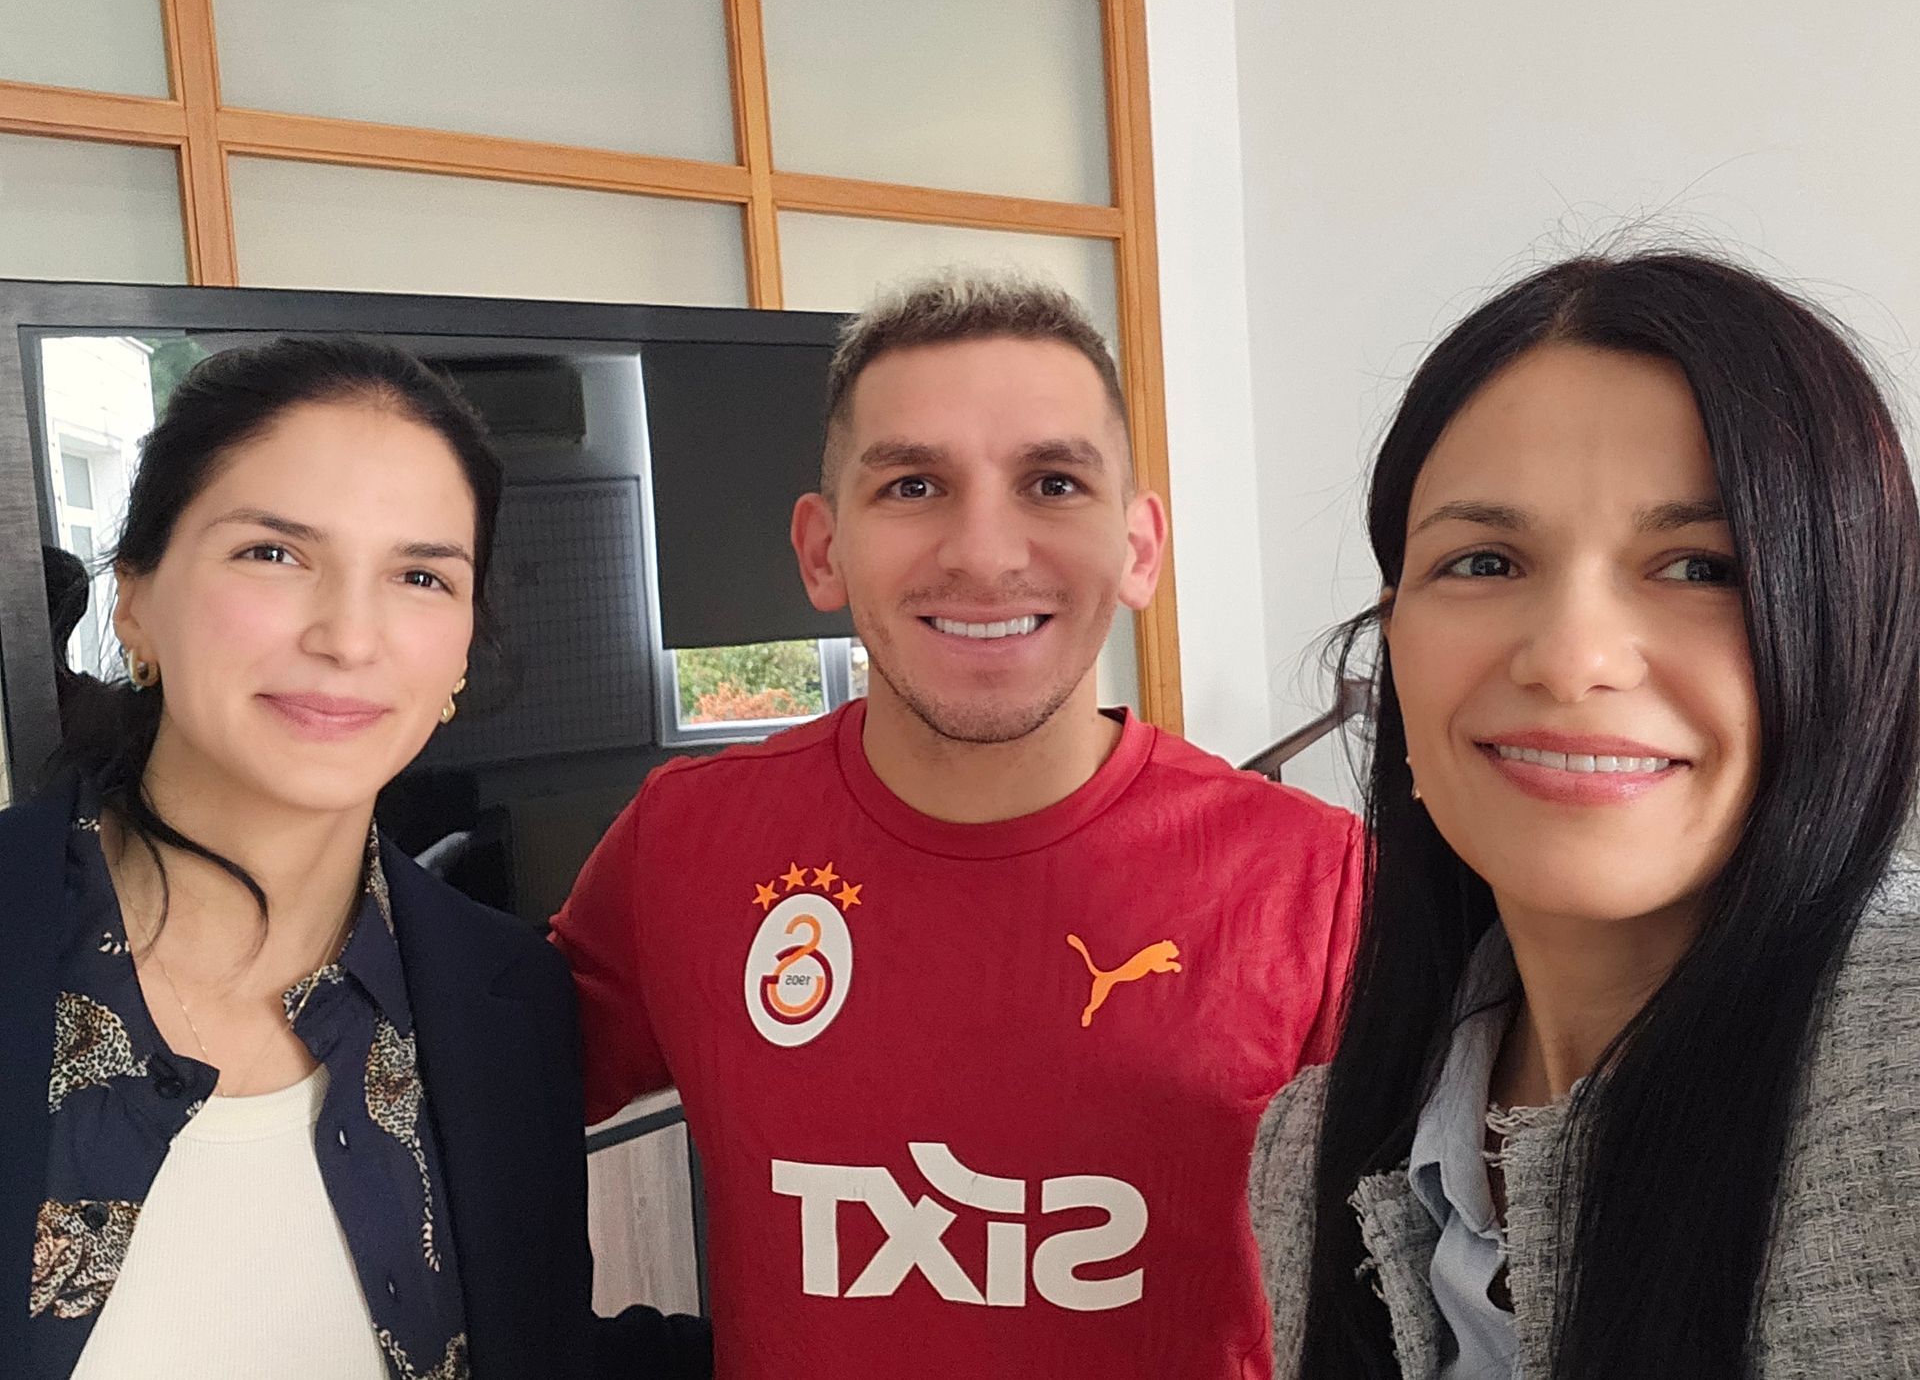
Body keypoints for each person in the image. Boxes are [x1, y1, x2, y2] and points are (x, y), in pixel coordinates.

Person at [551, 274, 1366, 1378]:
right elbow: (452, 1105)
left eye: (1053, 482)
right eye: (914, 485)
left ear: (1138, 549)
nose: (984, 554)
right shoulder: (685, 844)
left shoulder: (1315, 882)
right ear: (823, 551)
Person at [1250, 252, 1920, 1378]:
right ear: (1395, 641)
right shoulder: (1313, 1151)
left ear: (1853, 632)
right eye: (1484, 560)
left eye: (1702, 568)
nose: (1570, 659)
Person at [0, 337, 706, 1379]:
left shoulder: (506, 1003)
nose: (349, 636)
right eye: (273, 554)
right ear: (135, 600)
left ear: (461, 650)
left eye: (421, 576)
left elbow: (542, 1349)